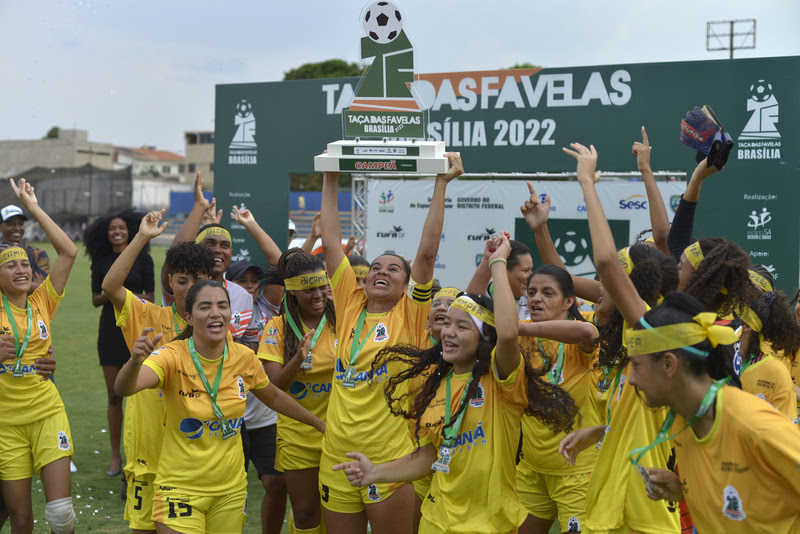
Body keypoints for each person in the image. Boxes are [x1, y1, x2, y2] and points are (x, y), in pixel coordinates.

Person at [333, 234, 578, 533]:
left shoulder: (501, 378)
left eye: (462, 327)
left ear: (485, 338)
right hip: (437, 521)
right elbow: (429, 456)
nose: (449, 332)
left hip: (489, 525)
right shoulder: (433, 384)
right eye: (448, 323)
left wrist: (497, 263)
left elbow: (508, 333)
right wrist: (377, 472)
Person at [318, 153, 462, 534]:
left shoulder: (411, 315)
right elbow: (331, 243)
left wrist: (441, 184)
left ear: (405, 283)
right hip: (336, 456)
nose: (382, 271)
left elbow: (427, 254)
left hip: (390, 457)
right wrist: (330, 176)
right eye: (376, 268)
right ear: (364, 281)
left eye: (393, 269)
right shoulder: (351, 303)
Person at [115, 280, 326, 534]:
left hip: (230, 491)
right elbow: (125, 388)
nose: (215, 313)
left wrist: (320, 424)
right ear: (189, 318)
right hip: (179, 488)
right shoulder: (172, 354)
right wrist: (135, 361)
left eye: (222, 306)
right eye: (205, 307)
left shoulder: (244, 357)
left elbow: (274, 397)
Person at [558, 143, 682, 533]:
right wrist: (598, 432)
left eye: (606, 285)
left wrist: (586, 185)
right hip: (612, 508)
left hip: (641, 517)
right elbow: (638, 421)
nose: (598, 289)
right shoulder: (635, 347)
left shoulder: (649, 328)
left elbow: (607, 262)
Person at [622, 293, 800, 532]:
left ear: (668, 365)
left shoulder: (753, 425)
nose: (631, 379)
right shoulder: (683, 418)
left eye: (636, 365)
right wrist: (686, 490)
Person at [101, 210, 215, 533]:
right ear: (170, 282)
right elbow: (110, 285)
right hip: (149, 457)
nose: (191, 289)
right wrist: (142, 237)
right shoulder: (148, 316)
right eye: (182, 281)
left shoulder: (217, 327)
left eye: (199, 280)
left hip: (194, 460)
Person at [0, 178, 78, 534]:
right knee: (21, 520)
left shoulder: (42, 301)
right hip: (6, 424)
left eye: (24, 265)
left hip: (46, 412)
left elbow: (68, 252)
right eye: (11, 266)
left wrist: (33, 208)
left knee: (61, 516)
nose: (21, 270)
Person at [516, 265, 599, 534]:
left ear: (569, 301)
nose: (536, 298)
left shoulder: (583, 325)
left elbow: (588, 335)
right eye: (532, 292)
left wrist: (520, 329)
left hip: (577, 472)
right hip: (532, 468)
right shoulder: (521, 333)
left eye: (547, 293)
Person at [260, 248, 337, 534]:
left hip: (339, 431)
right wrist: (297, 360)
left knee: (337, 508)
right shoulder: (277, 328)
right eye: (309, 290)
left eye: (322, 287)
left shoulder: (342, 321)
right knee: (305, 514)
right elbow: (272, 388)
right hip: (298, 435)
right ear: (292, 292)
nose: (318, 295)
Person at [85, 209, 155, 477]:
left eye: (122, 228)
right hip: (109, 330)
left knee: (140, 395)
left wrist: (119, 292)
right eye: (112, 228)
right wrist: (111, 292)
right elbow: (95, 298)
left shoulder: (144, 259)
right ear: (107, 233)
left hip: (136, 328)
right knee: (114, 395)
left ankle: (138, 453)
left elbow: (149, 295)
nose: (117, 231)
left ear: (130, 231)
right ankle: (115, 457)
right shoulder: (101, 260)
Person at [161, 173, 256, 346]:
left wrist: (233, 350)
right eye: (210, 244)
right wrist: (199, 208)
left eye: (224, 245)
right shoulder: (183, 286)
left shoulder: (243, 296)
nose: (217, 250)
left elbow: (252, 341)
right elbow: (174, 258)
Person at [467, 238, 534, 320]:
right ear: (504, 268)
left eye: (531, 270)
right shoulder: (483, 294)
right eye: (526, 271)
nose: (531, 276)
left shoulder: (535, 299)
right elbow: (466, 310)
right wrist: (488, 259)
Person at [0, 204, 50, 293]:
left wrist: (10, 282)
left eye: (20, 224)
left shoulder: (38, 254)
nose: (17, 228)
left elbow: (41, 288)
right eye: (10, 224)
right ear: (1, 227)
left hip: (29, 306)